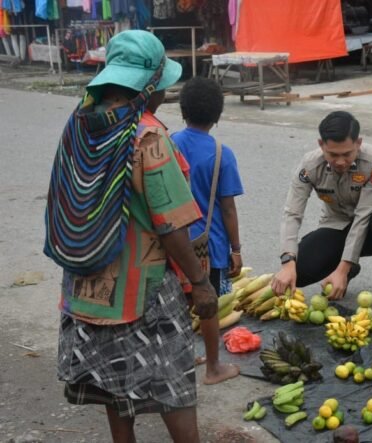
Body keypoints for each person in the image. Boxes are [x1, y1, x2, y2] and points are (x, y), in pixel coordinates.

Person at [44, 30, 217, 442]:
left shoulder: (84, 122)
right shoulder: (148, 137)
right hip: (142, 292)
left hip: (86, 283)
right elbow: (171, 224)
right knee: (173, 387)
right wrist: (200, 282)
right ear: (150, 85)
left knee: (113, 383)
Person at [271, 111, 372, 321]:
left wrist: (343, 268)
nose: (341, 161)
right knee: (301, 270)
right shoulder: (309, 165)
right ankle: (349, 268)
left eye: (347, 154)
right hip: (337, 226)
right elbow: (292, 213)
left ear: (358, 143)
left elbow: (363, 217)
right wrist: (287, 262)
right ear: (321, 144)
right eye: (333, 155)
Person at [171, 77, 243, 385]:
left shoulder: (168, 143)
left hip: (173, 241)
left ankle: (182, 358)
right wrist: (236, 249)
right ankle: (213, 367)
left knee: (179, 302)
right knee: (208, 304)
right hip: (207, 246)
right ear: (218, 116)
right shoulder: (222, 153)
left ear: (183, 110)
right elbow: (228, 209)